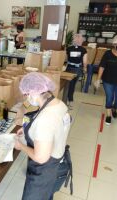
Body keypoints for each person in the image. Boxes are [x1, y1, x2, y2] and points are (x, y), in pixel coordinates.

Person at [15, 72, 72, 200]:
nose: (26, 97)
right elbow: (53, 129)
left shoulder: (45, 119)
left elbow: (41, 158)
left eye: (27, 94)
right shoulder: (58, 103)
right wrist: (26, 130)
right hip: (57, 164)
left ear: (35, 93)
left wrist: (21, 146)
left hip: (43, 173)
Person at [65, 34, 88, 105]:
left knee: (68, 84)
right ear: (81, 41)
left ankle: (67, 99)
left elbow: (65, 59)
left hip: (69, 68)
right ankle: (70, 100)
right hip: (77, 69)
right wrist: (85, 68)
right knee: (73, 84)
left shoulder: (68, 49)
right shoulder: (83, 50)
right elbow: (85, 61)